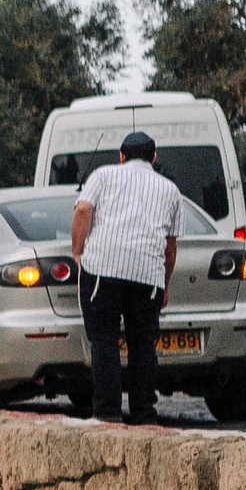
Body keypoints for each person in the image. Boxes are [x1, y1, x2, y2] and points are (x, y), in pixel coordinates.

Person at [71, 129, 185, 425]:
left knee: (104, 340)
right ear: (154, 157)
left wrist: (77, 252)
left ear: (121, 156)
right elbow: (170, 248)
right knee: (143, 344)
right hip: (148, 275)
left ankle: (108, 412)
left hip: (102, 270)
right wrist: (164, 285)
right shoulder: (171, 190)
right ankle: (144, 413)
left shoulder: (103, 175)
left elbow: (83, 210)